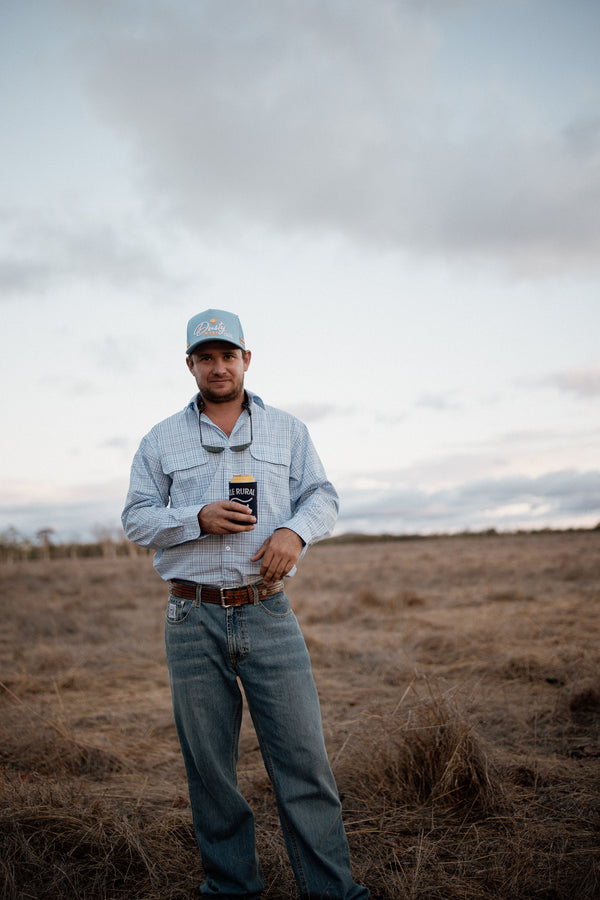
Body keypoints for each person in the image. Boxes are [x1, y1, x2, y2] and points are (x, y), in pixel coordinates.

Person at [122, 309, 369, 900]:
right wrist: (195, 519)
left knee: (303, 762)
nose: (217, 366)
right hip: (191, 615)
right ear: (190, 365)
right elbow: (135, 518)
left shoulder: (288, 430)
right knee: (210, 770)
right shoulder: (161, 439)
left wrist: (296, 534)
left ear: (246, 360)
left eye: (227, 355)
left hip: (267, 611)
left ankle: (332, 892)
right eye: (204, 357)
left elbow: (323, 495)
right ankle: (232, 887)